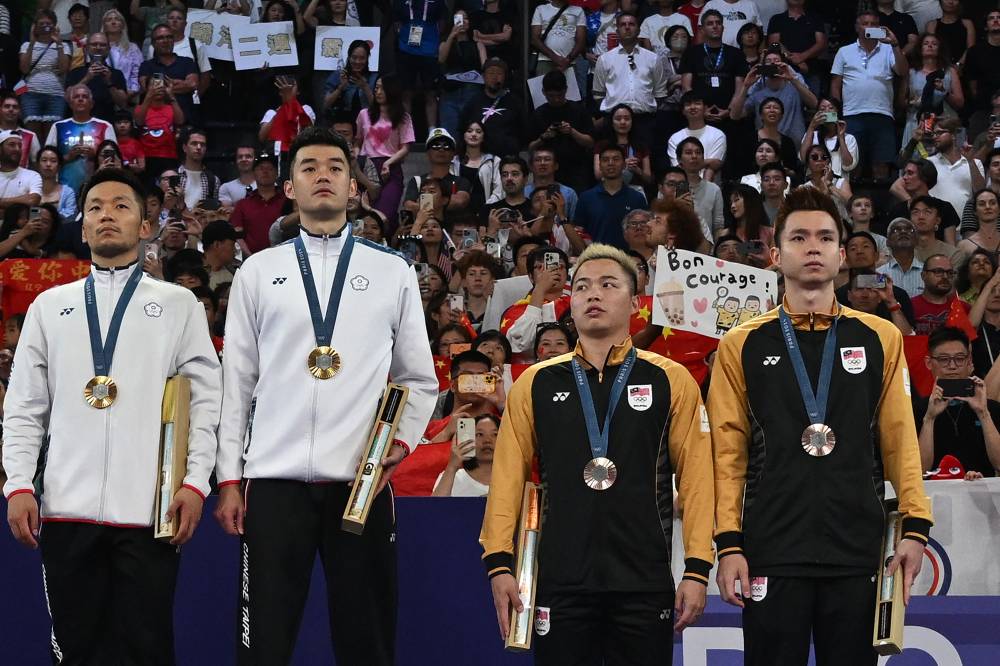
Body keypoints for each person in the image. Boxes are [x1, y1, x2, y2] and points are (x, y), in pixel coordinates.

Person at [213, 127, 438, 665]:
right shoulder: (258, 272)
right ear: (289, 187)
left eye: (335, 167)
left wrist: (399, 447)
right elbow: (236, 382)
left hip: (359, 479)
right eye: (309, 167)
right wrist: (228, 478)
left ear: (353, 186)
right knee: (263, 641)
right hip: (272, 481)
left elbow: (419, 378)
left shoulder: (392, 271)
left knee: (367, 641)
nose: (323, 176)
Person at [3, 167, 221, 664]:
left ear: (145, 225)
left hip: (149, 512)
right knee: (78, 653)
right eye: (96, 207)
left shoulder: (177, 304)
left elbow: (208, 401)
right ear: (82, 226)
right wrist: (18, 483)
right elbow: (24, 407)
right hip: (65, 509)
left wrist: (194, 483)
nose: (107, 215)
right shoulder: (48, 306)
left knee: (148, 650)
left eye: (121, 205)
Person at [707, 186, 932, 665]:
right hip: (772, 546)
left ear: (840, 253)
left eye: (826, 238)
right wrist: (728, 544)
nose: (813, 247)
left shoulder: (880, 337)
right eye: (800, 237)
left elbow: (898, 440)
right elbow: (727, 455)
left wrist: (914, 527)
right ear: (775, 254)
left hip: (857, 546)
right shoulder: (740, 344)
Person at [482, 243, 716, 664]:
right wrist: (500, 563)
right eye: (583, 286)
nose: (594, 294)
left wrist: (698, 567)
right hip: (560, 579)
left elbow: (698, 480)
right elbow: (508, 481)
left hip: (644, 580)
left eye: (609, 285)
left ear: (634, 300)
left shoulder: (671, 380)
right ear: (569, 302)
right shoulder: (534, 383)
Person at [830, 9, 908, 182]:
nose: (869, 27)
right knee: (852, 165)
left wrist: (895, 44)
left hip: (882, 114)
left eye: (874, 24)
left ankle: (881, 208)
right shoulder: (844, 51)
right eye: (865, 23)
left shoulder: (889, 49)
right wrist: (836, 116)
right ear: (857, 27)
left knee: (881, 165)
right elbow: (835, 85)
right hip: (852, 114)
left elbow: (902, 71)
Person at [916, 326, 1000, 477]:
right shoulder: (916, 409)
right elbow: (919, 470)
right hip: (933, 495)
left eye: (960, 359)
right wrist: (929, 419)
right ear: (929, 363)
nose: (952, 366)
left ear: (969, 362)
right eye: (944, 359)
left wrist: (983, 413)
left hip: (981, 494)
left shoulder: (991, 408)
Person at [592, 11, 668, 151]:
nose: (627, 27)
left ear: (638, 30)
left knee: (645, 163)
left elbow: (660, 93)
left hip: (645, 121)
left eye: (631, 24)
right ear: (617, 30)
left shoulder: (653, 58)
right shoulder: (605, 59)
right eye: (623, 25)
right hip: (613, 121)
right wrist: (613, 112)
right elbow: (598, 94)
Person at [357, 75, 413, 225]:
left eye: (383, 88)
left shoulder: (403, 118)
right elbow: (358, 141)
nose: (379, 92)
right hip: (365, 168)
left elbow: (406, 147)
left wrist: (388, 162)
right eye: (376, 88)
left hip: (390, 168)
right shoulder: (364, 114)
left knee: (385, 215)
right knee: (363, 217)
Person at [527, 69, 595, 194]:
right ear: (543, 92)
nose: (556, 100)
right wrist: (543, 137)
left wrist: (572, 132)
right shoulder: (538, 114)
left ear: (566, 90)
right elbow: (530, 148)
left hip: (577, 169)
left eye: (560, 95)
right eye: (551, 96)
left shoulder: (579, 110)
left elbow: (590, 142)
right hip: (548, 171)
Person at [500, 246, 571, 357]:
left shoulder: (577, 305)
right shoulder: (515, 311)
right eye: (541, 267)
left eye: (560, 266)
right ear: (531, 277)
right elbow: (519, 345)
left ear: (567, 275)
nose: (552, 271)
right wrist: (540, 289)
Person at [679, 9, 747, 123]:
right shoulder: (691, 53)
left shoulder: (736, 53)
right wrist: (700, 109)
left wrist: (730, 110)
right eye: (710, 23)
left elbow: (739, 88)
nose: (715, 26)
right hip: (698, 115)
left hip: (729, 114)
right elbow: (686, 87)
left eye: (718, 23)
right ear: (702, 29)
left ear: (723, 28)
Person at [46, 84, 117, 194]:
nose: (80, 99)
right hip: (64, 188)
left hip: (98, 186)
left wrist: (95, 155)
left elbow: (115, 159)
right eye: (76, 96)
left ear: (91, 104)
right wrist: (68, 156)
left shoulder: (104, 126)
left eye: (84, 96)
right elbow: (46, 159)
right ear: (70, 104)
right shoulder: (58, 127)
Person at [576, 144, 647, 249]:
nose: (610, 163)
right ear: (599, 165)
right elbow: (579, 232)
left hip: (629, 260)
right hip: (596, 259)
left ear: (624, 164)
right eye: (605, 160)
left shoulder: (637, 198)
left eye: (616, 159)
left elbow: (645, 231)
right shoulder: (586, 198)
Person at [901, 33, 963, 149]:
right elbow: (900, 103)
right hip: (917, 123)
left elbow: (960, 103)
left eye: (934, 44)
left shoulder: (950, 72)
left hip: (944, 124)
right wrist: (911, 102)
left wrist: (944, 92)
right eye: (926, 43)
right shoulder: (911, 73)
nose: (930, 46)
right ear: (920, 49)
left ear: (940, 49)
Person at [19, 9, 72, 141]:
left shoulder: (64, 46)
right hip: (30, 94)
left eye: (48, 23)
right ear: (35, 26)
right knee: (33, 138)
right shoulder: (26, 45)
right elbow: (24, 69)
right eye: (41, 23)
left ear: (54, 25)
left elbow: (63, 69)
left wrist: (58, 43)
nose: (45, 26)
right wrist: (32, 42)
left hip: (55, 95)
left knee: (51, 139)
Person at [458, 57, 525, 160]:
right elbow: (462, 128)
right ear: (484, 76)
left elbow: (523, 130)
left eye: (499, 73)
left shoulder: (514, 102)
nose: (495, 77)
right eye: (491, 73)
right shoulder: (473, 102)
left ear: (505, 77)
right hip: (479, 158)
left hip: (507, 158)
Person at [137, 23, 198, 129]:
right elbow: (146, 88)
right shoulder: (146, 66)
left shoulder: (187, 62)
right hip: (155, 124)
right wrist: (180, 84)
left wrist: (160, 87)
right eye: (160, 38)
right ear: (153, 43)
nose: (165, 41)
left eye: (169, 37)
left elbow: (193, 84)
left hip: (184, 123)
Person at [926, 116, 984, 220]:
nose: (935, 137)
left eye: (939, 133)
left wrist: (970, 162)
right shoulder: (928, 162)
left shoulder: (975, 163)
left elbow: (981, 193)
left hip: (966, 226)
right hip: (937, 226)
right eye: (934, 134)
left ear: (953, 135)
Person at [229, 153, 286, 255]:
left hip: (284, 257)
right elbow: (238, 236)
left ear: (277, 173)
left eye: (270, 168)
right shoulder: (243, 204)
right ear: (254, 174)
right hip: (251, 260)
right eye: (261, 168)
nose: (265, 171)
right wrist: (250, 258)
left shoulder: (287, 201)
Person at [65, 31, 128, 123]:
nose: (98, 48)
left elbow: (122, 104)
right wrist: (87, 78)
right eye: (94, 44)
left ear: (108, 49)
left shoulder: (116, 74)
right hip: (77, 123)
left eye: (103, 45)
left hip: (106, 123)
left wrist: (109, 82)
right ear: (86, 48)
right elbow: (67, 98)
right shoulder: (75, 72)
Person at [432, 412, 498, 497]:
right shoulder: (453, 477)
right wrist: (451, 467)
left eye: (495, 434)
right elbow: (435, 508)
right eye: (479, 434)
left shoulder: (513, 478)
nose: (487, 440)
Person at [766, 0, 826, 93]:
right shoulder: (777, 19)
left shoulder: (815, 18)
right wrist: (797, 61)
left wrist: (802, 57)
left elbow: (821, 43)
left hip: (810, 70)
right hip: (782, 72)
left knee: (812, 104)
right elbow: (774, 43)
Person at [667, 91, 726, 180]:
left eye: (697, 103)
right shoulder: (675, 138)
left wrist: (688, 164)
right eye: (688, 104)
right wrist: (707, 162)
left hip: (710, 187)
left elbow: (716, 164)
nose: (693, 107)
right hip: (683, 188)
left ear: (705, 108)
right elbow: (677, 168)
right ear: (683, 111)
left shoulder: (717, 134)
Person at [676, 136, 724, 242]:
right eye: (688, 152)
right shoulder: (670, 187)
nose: (694, 156)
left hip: (705, 249)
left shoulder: (714, 189)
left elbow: (718, 225)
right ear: (679, 160)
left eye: (698, 153)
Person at [910, 253, 969, 336]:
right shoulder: (909, 306)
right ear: (923, 275)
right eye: (938, 271)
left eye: (949, 272)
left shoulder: (963, 308)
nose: (945, 276)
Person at [909, 196, 965, 266]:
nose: (921, 217)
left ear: (937, 220)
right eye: (915, 212)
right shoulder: (900, 251)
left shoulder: (953, 254)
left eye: (927, 212)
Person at [879, 217, 925, 298]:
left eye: (909, 230)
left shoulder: (927, 273)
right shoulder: (879, 274)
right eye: (896, 230)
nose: (903, 232)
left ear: (917, 240)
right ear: (887, 242)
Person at [0, 131, 43, 214]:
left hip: (24, 225)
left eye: (20, 146)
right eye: (12, 145)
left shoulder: (32, 176)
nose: (17, 149)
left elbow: (33, 201)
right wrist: (22, 202)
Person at [957, 189, 1000, 261]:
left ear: (999, 209)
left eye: (992, 203)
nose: (988, 207)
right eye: (982, 204)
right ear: (975, 211)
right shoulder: (964, 246)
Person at [37, 145, 77, 220]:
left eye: (53, 161)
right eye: (44, 160)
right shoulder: (30, 190)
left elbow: (70, 217)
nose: (48, 164)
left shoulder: (68, 192)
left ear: (59, 166)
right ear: (38, 165)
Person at [219, 142, 257, 208]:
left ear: (255, 159)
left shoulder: (268, 186)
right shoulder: (226, 187)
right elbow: (227, 215)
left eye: (248, 156)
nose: (244, 159)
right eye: (240, 157)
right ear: (236, 160)